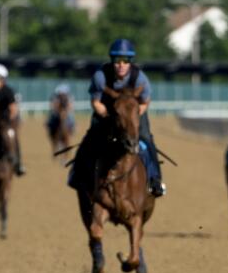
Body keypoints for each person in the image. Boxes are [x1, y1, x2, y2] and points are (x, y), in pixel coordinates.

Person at [68, 38, 165, 197]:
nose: (121, 64)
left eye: (125, 60)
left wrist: (132, 117)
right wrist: (108, 115)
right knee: (90, 138)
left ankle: (155, 180)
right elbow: (96, 102)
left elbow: (145, 102)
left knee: (147, 140)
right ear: (112, 60)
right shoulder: (100, 77)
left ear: (130, 62)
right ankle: (77, 174)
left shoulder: (140, 78)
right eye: (117, 60)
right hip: (107, 113)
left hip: (134, 113)